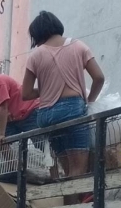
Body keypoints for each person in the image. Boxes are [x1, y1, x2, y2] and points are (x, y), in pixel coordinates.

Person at [22, 10, 105, 178]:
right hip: (73, 111)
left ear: (37, 35)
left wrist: (47, 89)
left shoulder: (35, 56)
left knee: (67, 170)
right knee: (79, 169)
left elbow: (26, 93)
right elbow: (99, 77)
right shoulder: (78, 46)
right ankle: (76, 204)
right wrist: (89, 101)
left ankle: (66, 204)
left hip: (46, 116)